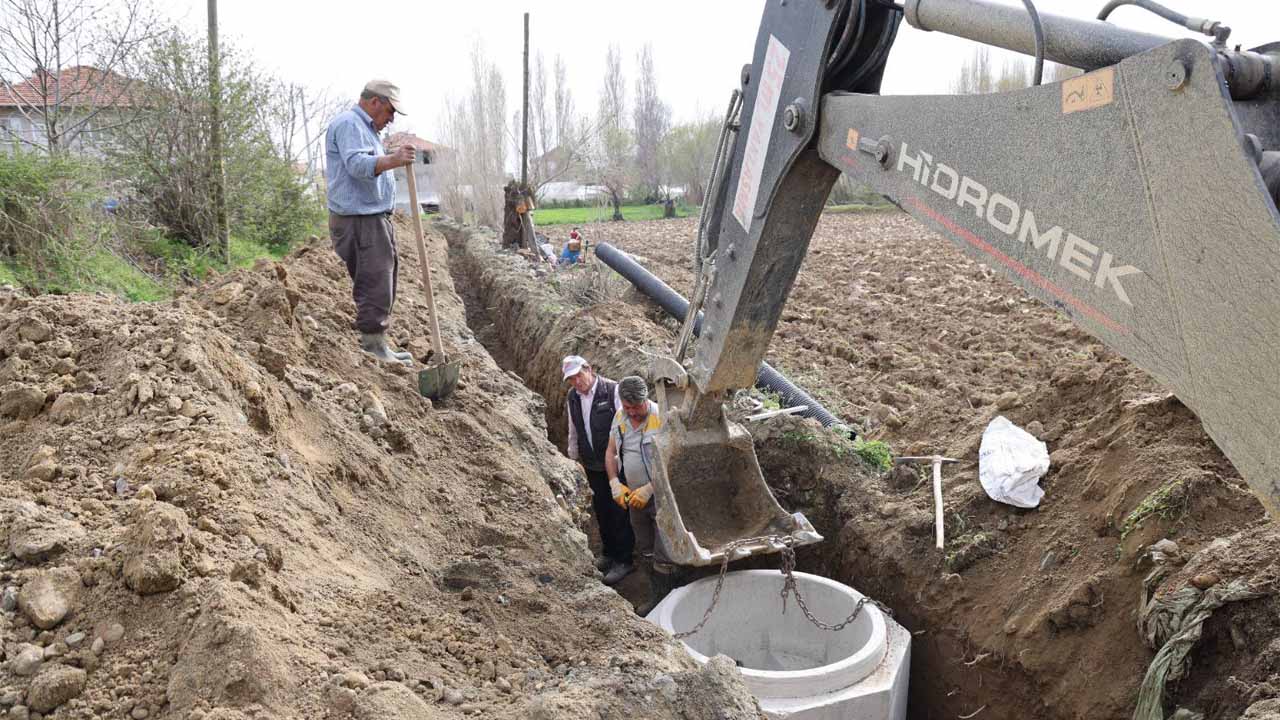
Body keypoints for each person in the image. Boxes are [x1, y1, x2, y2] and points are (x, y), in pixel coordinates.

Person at [325, 79, 417, 365]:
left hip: (372, 218)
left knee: (383, 278)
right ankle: (373, 347)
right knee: (375, 280)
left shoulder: (367, 130)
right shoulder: (349, 124)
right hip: (360, 220)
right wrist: (393, 159)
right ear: (375, 101)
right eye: (390, 111)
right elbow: (357, 166)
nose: (391, 119)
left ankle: (378, 343)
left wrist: (391, 158)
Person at [605, 376, 674, 615]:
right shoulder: (620, 417)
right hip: (634, 496)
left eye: (637, 407)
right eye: (628, 407)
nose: (633, 412)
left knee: (664, 551)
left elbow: (674, 461)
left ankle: (663, 601)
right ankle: (653, 590)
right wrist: (614, 482)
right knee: (645, 546)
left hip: (663, 498)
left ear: (647, 399)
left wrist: (650, 488)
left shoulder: (662, 418)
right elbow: (611, 452)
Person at [563, 355, 634, 584]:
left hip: (617, 464)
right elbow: (573, 429)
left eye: (578, 376)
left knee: (619, 511)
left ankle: (624, 560)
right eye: (571, 379)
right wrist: (573, 457)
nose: (576, 382)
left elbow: (627, 427)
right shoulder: (573, 397)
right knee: (602, 510)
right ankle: (609, 553)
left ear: (589, 369)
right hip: (593, 464)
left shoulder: (612, 390)